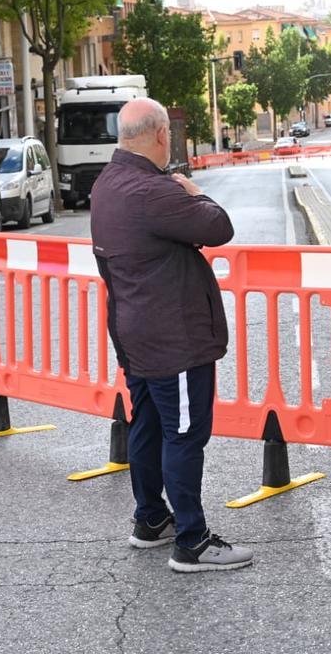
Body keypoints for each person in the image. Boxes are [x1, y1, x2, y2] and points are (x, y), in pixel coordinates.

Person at [89, 97, 253, 574]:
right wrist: (196, 192)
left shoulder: (106, 184)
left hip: (133, 331)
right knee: (183, 434)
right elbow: (218, 226)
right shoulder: (153, 191)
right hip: (172, 339)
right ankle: (192, 541)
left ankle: (150, 519)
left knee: (147, 425)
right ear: (162, 135)